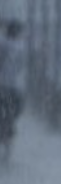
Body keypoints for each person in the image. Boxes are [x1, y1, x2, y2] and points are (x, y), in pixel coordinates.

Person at [0, 19, 26, 158]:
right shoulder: (16, 47)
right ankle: (8, 132)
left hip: (7, 86)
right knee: (14, 110)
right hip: (11, 86)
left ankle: (7, 131)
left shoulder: (6, 45)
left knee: (10, 110)